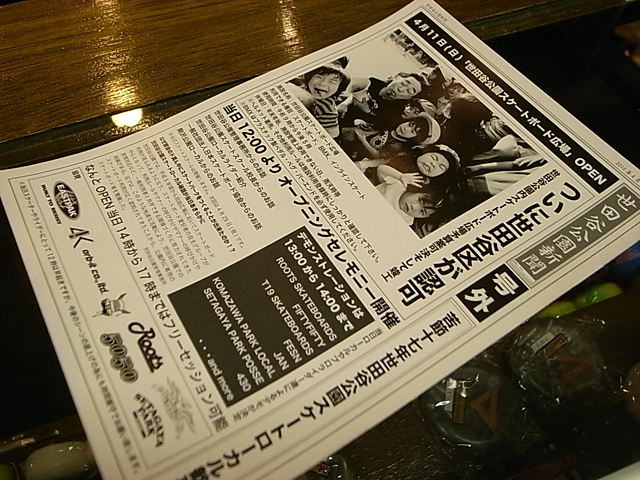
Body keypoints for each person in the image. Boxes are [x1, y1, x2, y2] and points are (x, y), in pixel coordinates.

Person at [287, 57, 351, 138]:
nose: (323, 83)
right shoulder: (303, 87)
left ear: (339, 88)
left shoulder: (327, 109)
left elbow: (334, 133)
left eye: (332, 81)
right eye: (319, 77)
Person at [341, 114, 440, 161]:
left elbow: (377, 155)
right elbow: (377, 130)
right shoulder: (391, 126)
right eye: (410, 124)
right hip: (357, 138)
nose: (405, 128)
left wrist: (363, 141)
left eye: (412, 131)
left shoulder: (397, 145)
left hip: (360, 152)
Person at [375, 164, 440, 225]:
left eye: (422, 211)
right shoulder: (399, 185)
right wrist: (400, 176)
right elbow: (380, 169)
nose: (414, 207)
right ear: (416, 191)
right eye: (419, 200)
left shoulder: (407, 221)